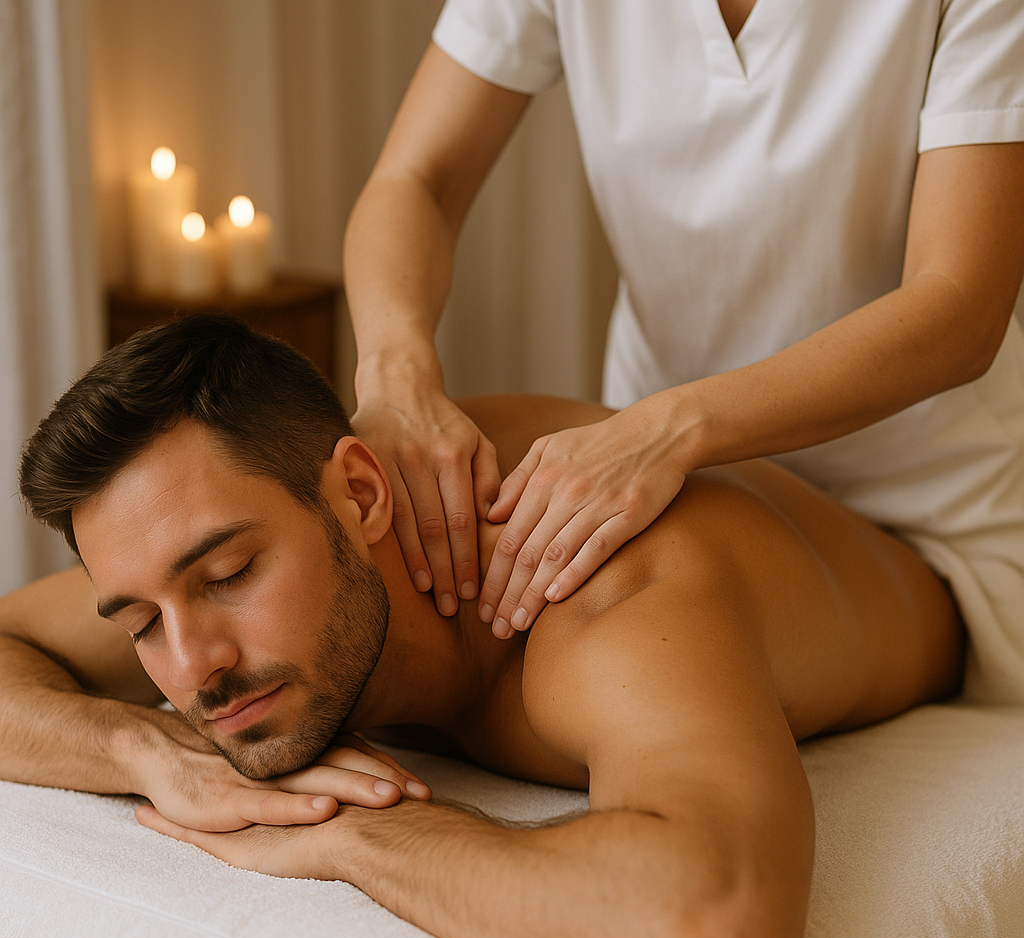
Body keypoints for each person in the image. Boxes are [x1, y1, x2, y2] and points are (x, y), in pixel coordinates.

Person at [0, 315, 963, 938]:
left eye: (229, 576)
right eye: (140, 623)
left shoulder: (603, 606)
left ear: (361, 495)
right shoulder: (204, 562)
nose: (193, 668)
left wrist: (353, 832)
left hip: (969, 572)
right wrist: (147, 750)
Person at [343, 0, 1024, 707]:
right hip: (672, 474)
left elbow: (961, 307)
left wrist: (668, 429)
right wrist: (395, 374)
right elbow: (417, 179)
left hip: (924, 506)